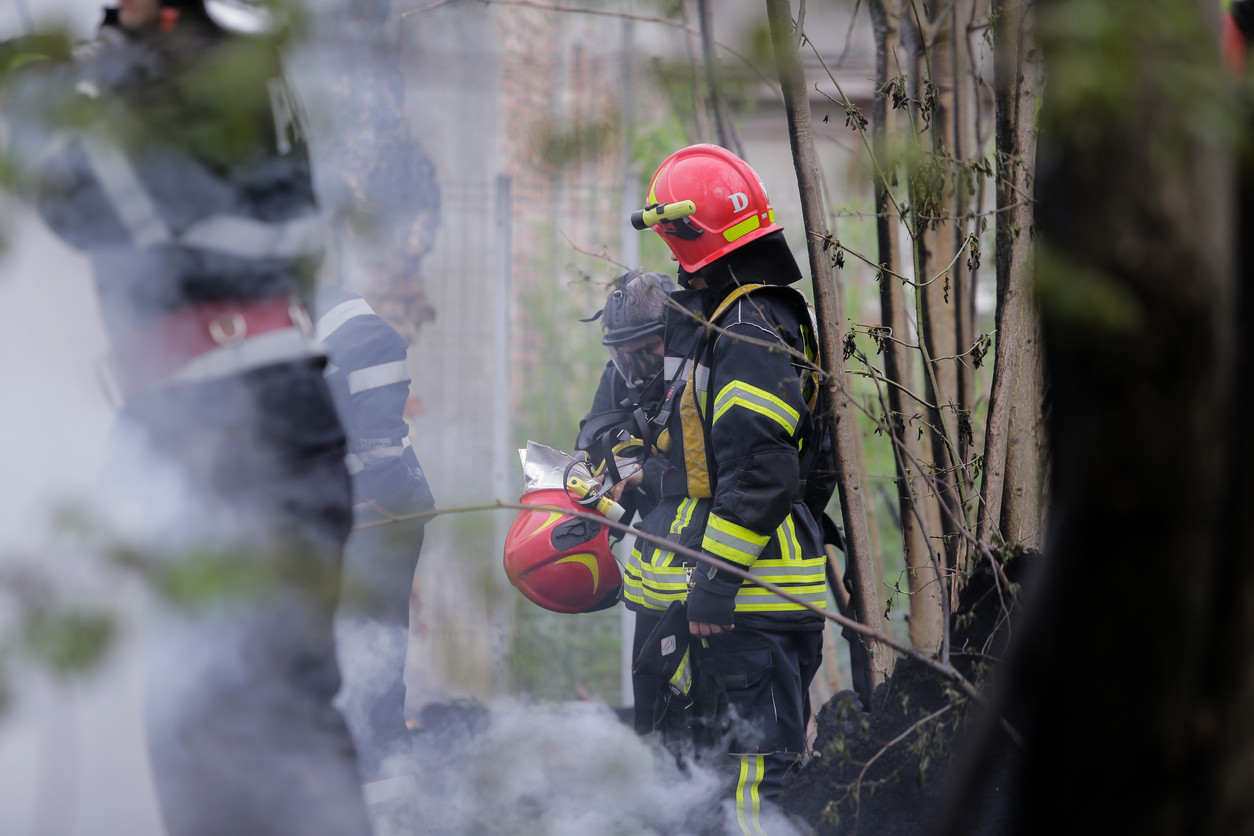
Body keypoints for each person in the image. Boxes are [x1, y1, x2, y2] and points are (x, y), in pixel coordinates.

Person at [0, 2, 373, 834]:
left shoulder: (208, 56)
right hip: (212, 418)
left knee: (266, 719)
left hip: (242, 425)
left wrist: (36, 90)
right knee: (201, 727)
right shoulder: (182, 52)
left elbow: (94, 204)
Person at [625, 144, 829, 833]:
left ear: (687, 236)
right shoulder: (755, 318)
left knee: (749, 785)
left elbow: (765, 475)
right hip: (759, 600)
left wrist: (714, 578)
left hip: (750, 603)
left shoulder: (744, 331)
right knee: (726, 775)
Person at [315, 282, 436, 836]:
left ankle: (388, 819)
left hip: (378, 518)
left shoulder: (344, 326)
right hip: (360, 518)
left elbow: (375, 349)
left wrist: (364, 481)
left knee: (370, 674)